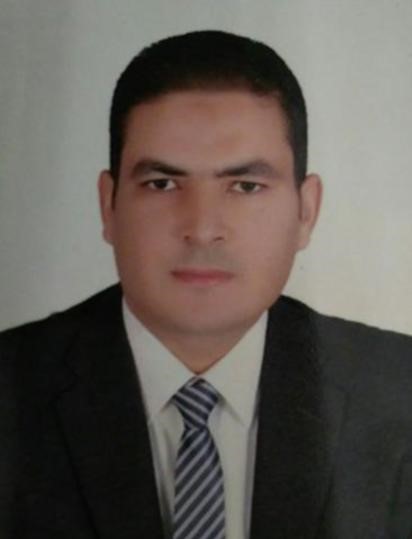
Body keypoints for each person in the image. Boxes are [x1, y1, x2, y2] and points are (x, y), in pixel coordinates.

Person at [1, 30, 411, 539]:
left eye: (245, 186)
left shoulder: (400, 392)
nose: (201, 228)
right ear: (109, 206)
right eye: (162, 184)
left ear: (306, 212)